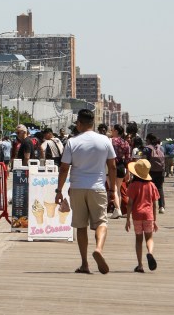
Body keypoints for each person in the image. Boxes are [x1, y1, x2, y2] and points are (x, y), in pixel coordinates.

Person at [55, 109, 117, 275]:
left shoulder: (72, 142)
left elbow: (63, 168)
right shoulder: (105, 140)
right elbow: (112, 166)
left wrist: (59, 190)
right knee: (101, 222)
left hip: (77, 187)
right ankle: (98, 249)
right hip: (97, 187)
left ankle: (84, 264)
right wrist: (112, 189)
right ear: (93, 123)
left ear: (79, 123)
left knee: (81, 226)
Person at [125, 159, 160, 273]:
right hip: (148, 215)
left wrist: (127, 220)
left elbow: (129, 203)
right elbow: (154, 204)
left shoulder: (133, 185)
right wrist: (154, 220)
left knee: (138, 240)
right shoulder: (151, 185)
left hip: (137, 215)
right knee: (149, 238)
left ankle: (140, 265)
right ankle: (150, 253)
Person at [109, 124, 131, 219]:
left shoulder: (111, 141)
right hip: (122, 166)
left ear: (116, 131)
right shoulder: (126, 143)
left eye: (112, 130)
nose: (111, 132)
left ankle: (117, 209)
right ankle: (118, 210)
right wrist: (128, 172)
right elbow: (128, 158)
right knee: (118, 189)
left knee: (112, 187)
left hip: (111, 165)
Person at [143, 134, 166, 214]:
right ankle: (161, 206)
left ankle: (149, 205)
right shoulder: (161, 148)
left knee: (148, 188)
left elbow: (144, 159)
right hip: (160, 171)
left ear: (149, 140)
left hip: (150, 171)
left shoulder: (147, 149)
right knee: (159, 188)